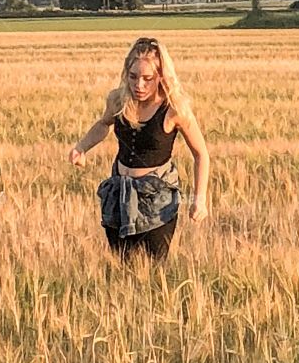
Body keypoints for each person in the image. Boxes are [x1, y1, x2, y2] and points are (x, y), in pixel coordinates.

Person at [67, 36, 209, 266]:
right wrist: (81, 147)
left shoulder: (174, 110)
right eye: (133, 77)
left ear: (161, 77)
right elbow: (103, 124)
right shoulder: (118, 101)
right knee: (122, 265)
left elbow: (201, 154)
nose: (139, 85)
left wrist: (199, 200)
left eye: (147, 78)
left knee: (154, 267)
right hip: (119, 195)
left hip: (158, 199)